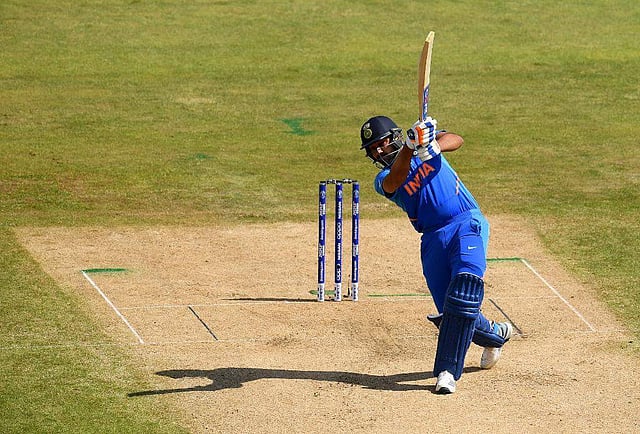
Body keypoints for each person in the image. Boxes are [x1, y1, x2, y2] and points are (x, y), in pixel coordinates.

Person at [359, 115, 513, 394]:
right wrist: (410, 147)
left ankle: (447, 372)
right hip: (433, 239)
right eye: (373, 149)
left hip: (465, 221)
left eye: (382, 143)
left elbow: (456, 139)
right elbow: (395, 181)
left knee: (465, 288)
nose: (379, 151)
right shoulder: (382, 179)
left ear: (394, 137)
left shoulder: (425, 144)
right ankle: (495, 334)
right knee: (451, 312)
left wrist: (434, 145)